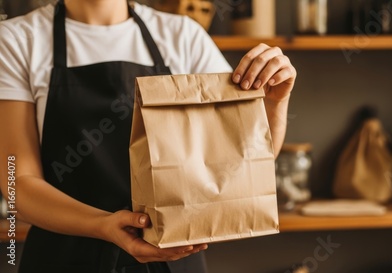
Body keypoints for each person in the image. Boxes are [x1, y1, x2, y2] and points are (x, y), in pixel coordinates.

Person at [0, 0, 296, 272]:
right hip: (64, 257)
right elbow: (18, 183)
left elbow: (245, 161)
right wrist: (103, 225)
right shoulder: (16, 40)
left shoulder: (183, 36)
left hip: (174, 256)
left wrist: (274, 102)